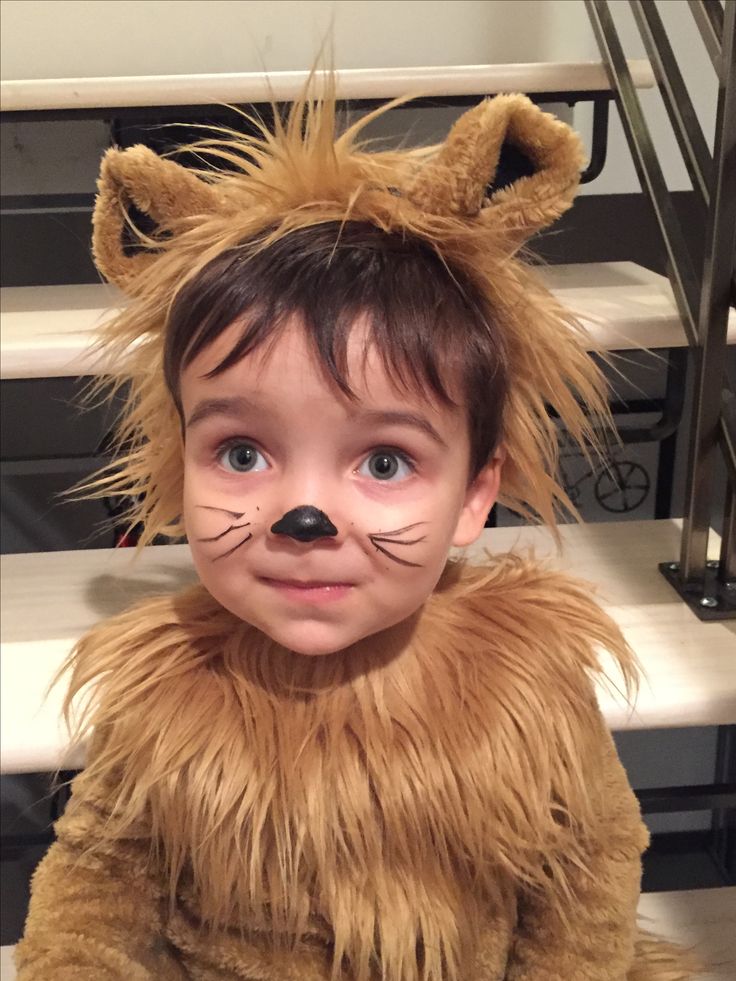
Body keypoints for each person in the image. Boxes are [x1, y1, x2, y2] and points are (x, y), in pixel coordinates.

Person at [15, 80, 701, 980]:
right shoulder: (163, 691)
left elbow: (591, 870)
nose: (305, 515)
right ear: (179, 466)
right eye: (244, 453)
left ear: (473, 494)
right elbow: (95, 887)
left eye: (383, 462)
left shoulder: (526, 683)